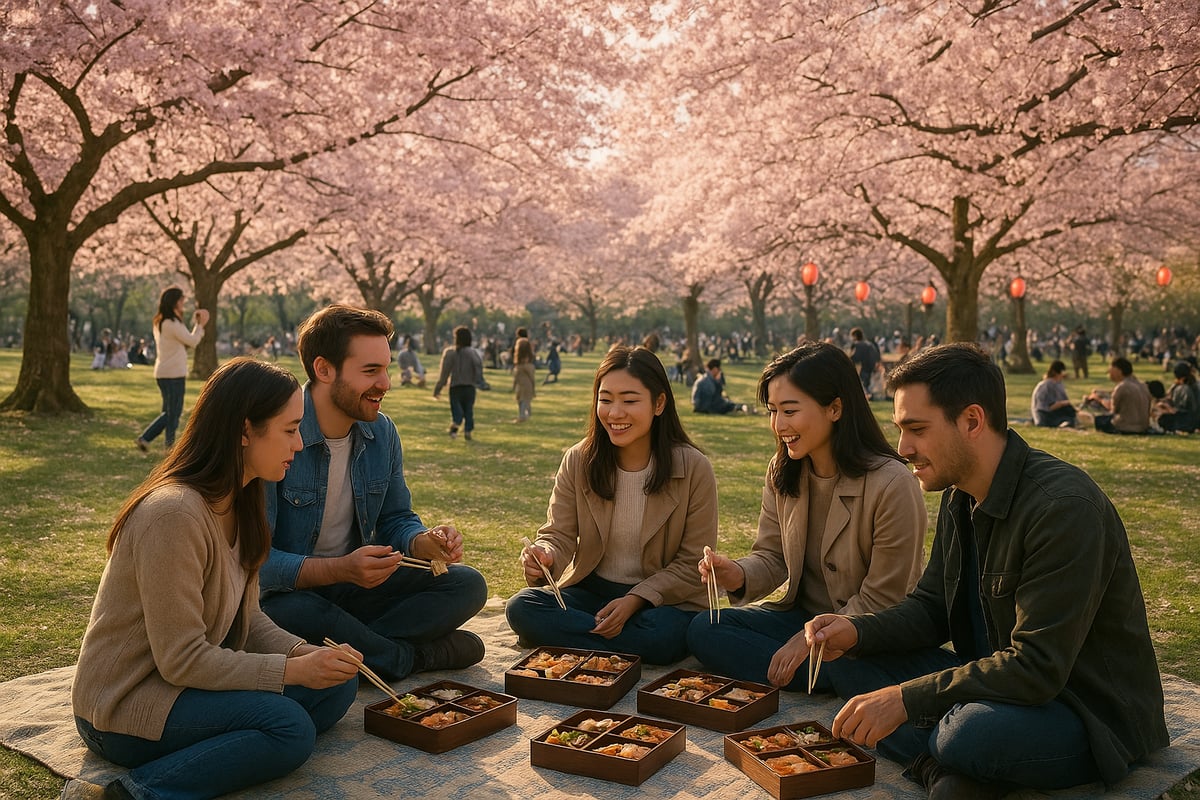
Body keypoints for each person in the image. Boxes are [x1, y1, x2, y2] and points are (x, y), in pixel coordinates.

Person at [804, 343, 1168, 799]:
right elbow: (931, 609)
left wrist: (906, 699)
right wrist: (856, 631)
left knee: (967, 734)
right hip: (993, 684)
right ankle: (940, 770)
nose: (903, 449)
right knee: (849, 663)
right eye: (900, 430)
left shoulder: (1063, 508)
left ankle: (945, 759)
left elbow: (1036, 668)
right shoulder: (958, 494)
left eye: (916, 429)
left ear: (972, 421)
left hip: (1082, 711)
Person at [73, 358, 361, 800]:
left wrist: (305, 654)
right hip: (125, 705)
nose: (300, 444)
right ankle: (131, 792)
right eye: (289, 429)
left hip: (185, 688)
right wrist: (290, 671)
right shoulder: (173, 514)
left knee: (337, 683)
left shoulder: (243, 500)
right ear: (245, 430)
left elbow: (249, 619)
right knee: (289, 728)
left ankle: (238, 744)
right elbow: (181, 659)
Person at [260, 305, 488, 682]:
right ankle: (408, 657)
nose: (386, 383)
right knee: (288, 614)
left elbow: (396, 518)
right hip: (293, 594)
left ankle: (362, 647)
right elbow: (257, 563)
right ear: (324, 369)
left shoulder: (382, 433)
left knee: (468, 584)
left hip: (360, 589)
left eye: (386, 368)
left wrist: (421, 542)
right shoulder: (277, 434)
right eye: (370, 371)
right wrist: (339, 569)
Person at [686, 342, 925, 690]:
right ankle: (832, 676)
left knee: (848, 662)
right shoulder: (783, 470)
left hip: (865, 630)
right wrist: (736, 573)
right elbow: (772, 556)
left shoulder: (892, 483)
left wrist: (807, 641)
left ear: (835, 408)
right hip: (800, 618)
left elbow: (884, 597)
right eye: (773, 411)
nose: (778, 424)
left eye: (790, 410)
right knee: (705, 629)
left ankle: (831, 672)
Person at [505, 345, 718, 664]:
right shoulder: (579, 459)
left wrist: (635, 599)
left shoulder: (694, 468)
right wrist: (546, 555)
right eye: (605, 400)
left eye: (629, 401)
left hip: (662, 601)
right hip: (593, 593)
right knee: (523, 607)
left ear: (659, 403)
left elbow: (692, 562)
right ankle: (621, 644)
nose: (615, 413)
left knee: (664, 634)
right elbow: (558, 534)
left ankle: (580, 639)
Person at [135, 287, 209, 453]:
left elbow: (183, 341)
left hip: (164, 372)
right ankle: (150, 439)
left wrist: (196, 325)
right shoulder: (171, 323)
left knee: (168, 412)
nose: (183, 303)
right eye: (181, 300)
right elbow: (192, 341)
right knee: (173, 413)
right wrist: (200, 325)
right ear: (174, 302)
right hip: (173, 373)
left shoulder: (162, 322)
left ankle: (167, 446)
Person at [433, 325, 484, 441]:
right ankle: (468, 430)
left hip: (455, 387)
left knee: (457, 410)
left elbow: (444, 373)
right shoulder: (473, 353)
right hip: (469, 387)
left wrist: (438, 388)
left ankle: (455, 427)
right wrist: (479, 382)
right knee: (468, 410)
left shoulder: (450, 352)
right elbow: (478, 368)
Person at [1086, 356, 1152, 434]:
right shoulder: (1144, 386)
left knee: (1095, 412)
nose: (1109, 373)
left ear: (1118, 370)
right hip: (1143, 427)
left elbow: (1112, 410)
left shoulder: (1121, 387)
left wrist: (1098, 399)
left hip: (1125, 427)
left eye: (1110, 370)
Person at [1030, 359, 1078, 428]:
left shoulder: (1056, 383)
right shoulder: (1049, 384)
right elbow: (1049, 406)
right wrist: (1062, 404)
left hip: (1046, 413)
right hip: (1043, 414)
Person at [1156, 361, 1200, 433]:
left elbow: (1176, 410)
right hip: (1197, 421)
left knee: (1162, 418)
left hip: (1187, 422)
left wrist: (1166, 406)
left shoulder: (1182, 389)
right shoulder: (1196, 384)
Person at [848, 327, 880, 395]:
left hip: (861, 367)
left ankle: (867, 395)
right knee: (867, 384)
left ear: (855, 336)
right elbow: (876, 355)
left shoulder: (856, 345)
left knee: (863, 385)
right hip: (871, 367)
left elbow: (853, 357)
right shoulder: (869, 344)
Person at [513, 335, 536, 422]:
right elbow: (532, 377)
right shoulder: (529, 366)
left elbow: (516, 376)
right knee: (525, 400)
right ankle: (527, 414)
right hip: (525, 385)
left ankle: (523, 415)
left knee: (522, 400)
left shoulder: (519, 366)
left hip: (522, 385)